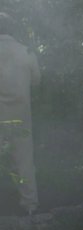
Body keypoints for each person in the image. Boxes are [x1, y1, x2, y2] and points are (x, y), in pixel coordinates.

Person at [0, 13, 41, 216]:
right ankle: (30, 206)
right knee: (24, 162)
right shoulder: (26, 51)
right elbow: (36, 81)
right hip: (21, 116)